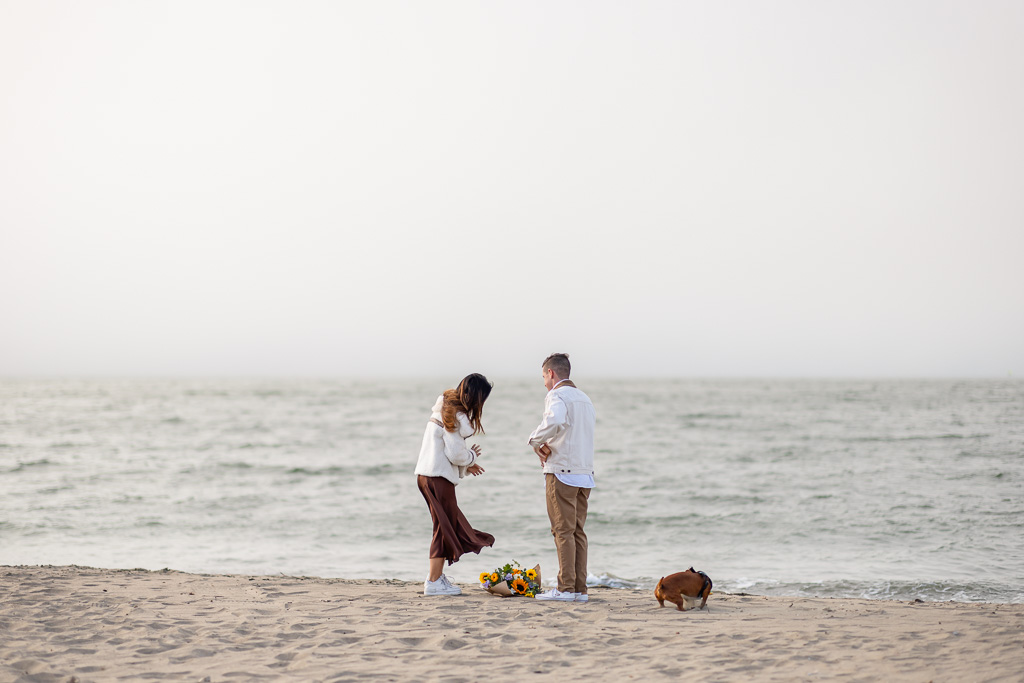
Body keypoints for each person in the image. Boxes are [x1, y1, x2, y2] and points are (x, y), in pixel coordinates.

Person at [414, 373, 495, 596]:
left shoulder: (444, 408)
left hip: (426, 475)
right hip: (438, 479)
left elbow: (444, 451)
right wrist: (469, 457)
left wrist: (466, 465)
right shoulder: (456, 415)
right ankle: (433, 582)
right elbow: (456, 453)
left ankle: (437, 578)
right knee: (443, 528)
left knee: (443, 526)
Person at [528, 353, 596, 602]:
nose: (544, 382)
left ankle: (566, 588)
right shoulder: (585, 398)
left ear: (551, 373)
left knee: (562, 531)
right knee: (578, 532)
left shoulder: (556, 395)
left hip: (562, 472)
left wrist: (535, 440)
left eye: (544, 377)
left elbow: (555, 420)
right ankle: (579, 589)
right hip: (585, 473)